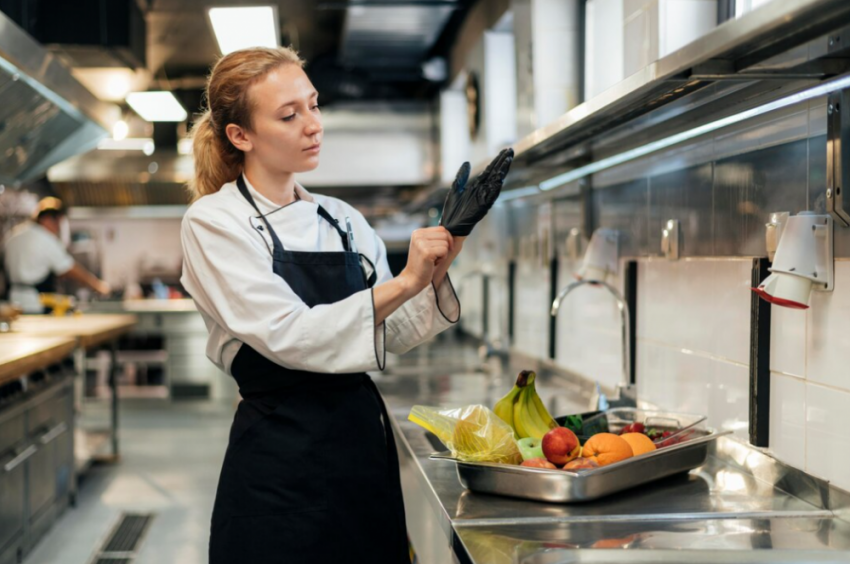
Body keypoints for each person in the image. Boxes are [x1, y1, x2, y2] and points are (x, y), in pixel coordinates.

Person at [180, 46, 506, 563]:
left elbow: (394, 332)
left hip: (358, 448)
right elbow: (287, 333)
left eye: (313, 105)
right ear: (240, 136)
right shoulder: (214, 222)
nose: (313, 125)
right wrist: (403, 282)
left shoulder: (341, 219)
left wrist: (447, 252)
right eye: (289, 115)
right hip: (277, 462)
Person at [4, 197, 110, 313]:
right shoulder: (45, 238)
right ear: (47, 219)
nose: (57, 229)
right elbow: (69, 268)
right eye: (58, 224)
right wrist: (97, 286)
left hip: (12, 303)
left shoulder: (13, 235)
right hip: (35, 303)